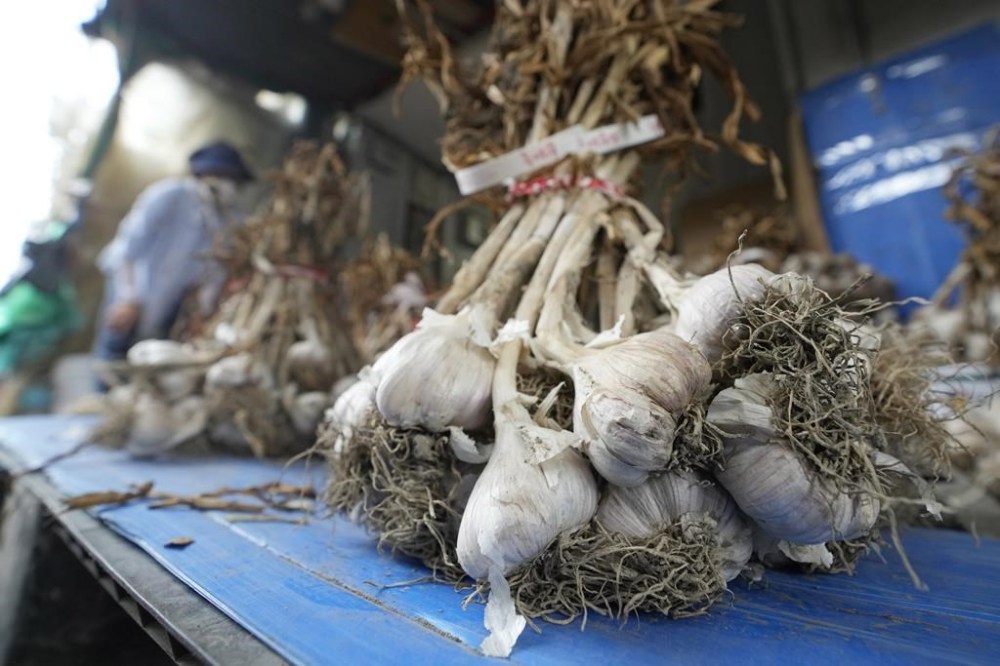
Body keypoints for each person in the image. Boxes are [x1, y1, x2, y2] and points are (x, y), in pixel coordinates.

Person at [94, 141, 252, 368]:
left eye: (232, 178)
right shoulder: (169, 196)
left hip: (173, 306)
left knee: (151, 363)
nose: (226, 183)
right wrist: (127, 298)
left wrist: (203, 311)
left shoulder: (231, 220)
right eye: (220, 174)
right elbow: (127, 250)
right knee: (112, 357)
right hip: (134, 293)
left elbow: (216, 272)